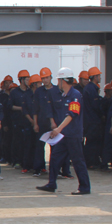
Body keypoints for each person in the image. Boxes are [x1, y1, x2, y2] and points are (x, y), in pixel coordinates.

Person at [36, 67, 91, 195]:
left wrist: (58, 129)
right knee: (55, 158)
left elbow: (72, 115)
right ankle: (51, 184)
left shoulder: (75, 95)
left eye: (59, 80)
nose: (58, 83)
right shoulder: (64, 95)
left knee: (78, 161)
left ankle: (84, 187)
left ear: (63, 81)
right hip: (64, 135)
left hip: (73, 135)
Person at [32, 68, 55, 176]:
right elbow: (35, 109)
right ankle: (39, 168)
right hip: (41, 123)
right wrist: (35, 123)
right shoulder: (38, 92)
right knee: (39, 147)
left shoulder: (56, 91)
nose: (45, 80)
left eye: (47, 77)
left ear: (51, 77)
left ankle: (55, 168)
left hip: (53, 124)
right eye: (43, 78)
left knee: (55, 147)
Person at [10, 71, 33, 172]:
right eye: (27, 79)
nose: (28, 81)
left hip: (28, 121)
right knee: (17, 142)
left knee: (28, 143)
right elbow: (10, 106)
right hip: (18, 121)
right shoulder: (14, 92)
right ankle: (17, 161)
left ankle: (26, 162)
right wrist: (22, 109)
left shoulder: (30, 92)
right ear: (21, 80)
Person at [83, 67, 104, 169]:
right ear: (95, 77)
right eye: (99, 76)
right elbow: (95, 106)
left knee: (93, 141)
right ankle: (91, 162)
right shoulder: (91, 89)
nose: (100, 77)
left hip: (90, 120)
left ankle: (93, 161)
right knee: (92, 142)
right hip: (92, 120)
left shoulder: (89, 88)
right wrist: (102, 114)